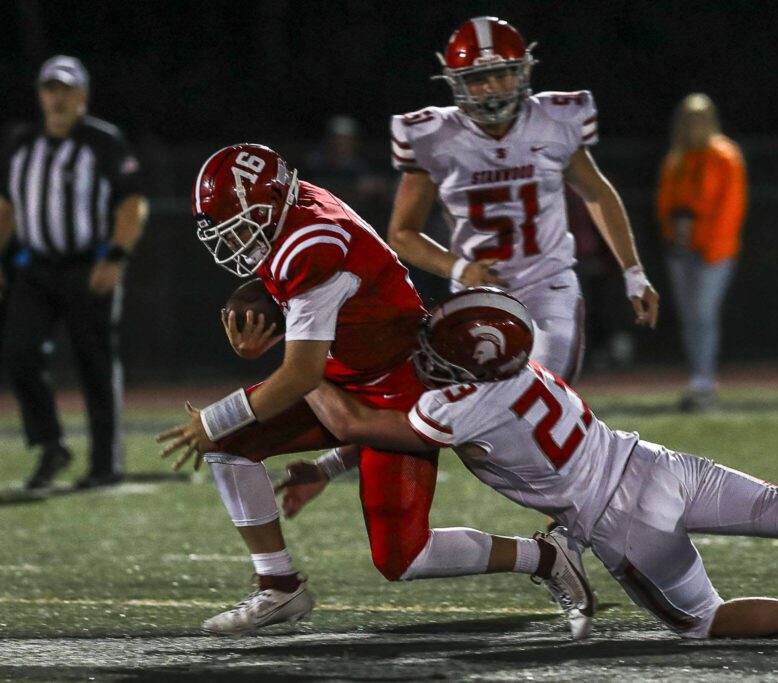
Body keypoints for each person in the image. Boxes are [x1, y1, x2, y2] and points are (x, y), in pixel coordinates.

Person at [277, 288, 778, 640]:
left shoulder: (458, 404)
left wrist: (294, 359)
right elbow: (395, 436)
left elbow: (358, 423)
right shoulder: (525, 367)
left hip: (619, 519)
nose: (428, 357)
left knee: (701, 622)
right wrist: (332, 470)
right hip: (652, 461)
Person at [157, 144, 595, 639]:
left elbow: (301, 375)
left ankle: (544, 555)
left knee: (402, 557)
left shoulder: (312, 247)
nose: (236, 239)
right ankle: (279, 587)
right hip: (348, 372)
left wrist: (214, 418)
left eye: (241, 222)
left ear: (275, 201)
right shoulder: (294, 213)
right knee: (227, 447)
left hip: (401, 386)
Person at [388, 16, 659, 384]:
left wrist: (634, 272)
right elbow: (402, 233)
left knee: (541, 393)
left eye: (503, 74)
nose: (493, 87)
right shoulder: (435, 136)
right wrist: (459, 269)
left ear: (523, 72)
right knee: (474, 421)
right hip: (477, 294)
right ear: (456, 82)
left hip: (549, 285)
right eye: (478, 79)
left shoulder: (553, 120)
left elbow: (596, 192)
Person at [0, 55, 148, 490]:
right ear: (40, 94)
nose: (57, 97)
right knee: (19, 354)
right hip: (37, 267)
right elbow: (6, 208)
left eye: (66, 89)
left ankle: (105, 463)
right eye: (50, 88)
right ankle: (51, 445)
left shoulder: (103, 142)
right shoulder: (21, 141)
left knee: (95, 365)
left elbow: (132, 202)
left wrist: (116, 258)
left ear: (82, 95)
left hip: (89, 265)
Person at [656, 93, 747, 412]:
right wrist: (674, 237)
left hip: (713, 251)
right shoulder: (677, 158)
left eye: (699, 119)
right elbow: (666, 204)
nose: (694, 125)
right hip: (682, 250)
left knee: (703, 314)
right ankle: (698, 377)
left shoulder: (724, 156)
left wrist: (709, 246)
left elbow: (730, 208)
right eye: (688, 119)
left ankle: (704, 380)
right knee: (689, 316)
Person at [303, 115, 388, 229]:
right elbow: (314, 189)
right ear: (330, 140)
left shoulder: (358, 165)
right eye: (338, 139)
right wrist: (354, 188)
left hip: (350, 219)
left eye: (347, 140)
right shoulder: (315, 163)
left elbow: (369, 186)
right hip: (319, 218)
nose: (342, 144)